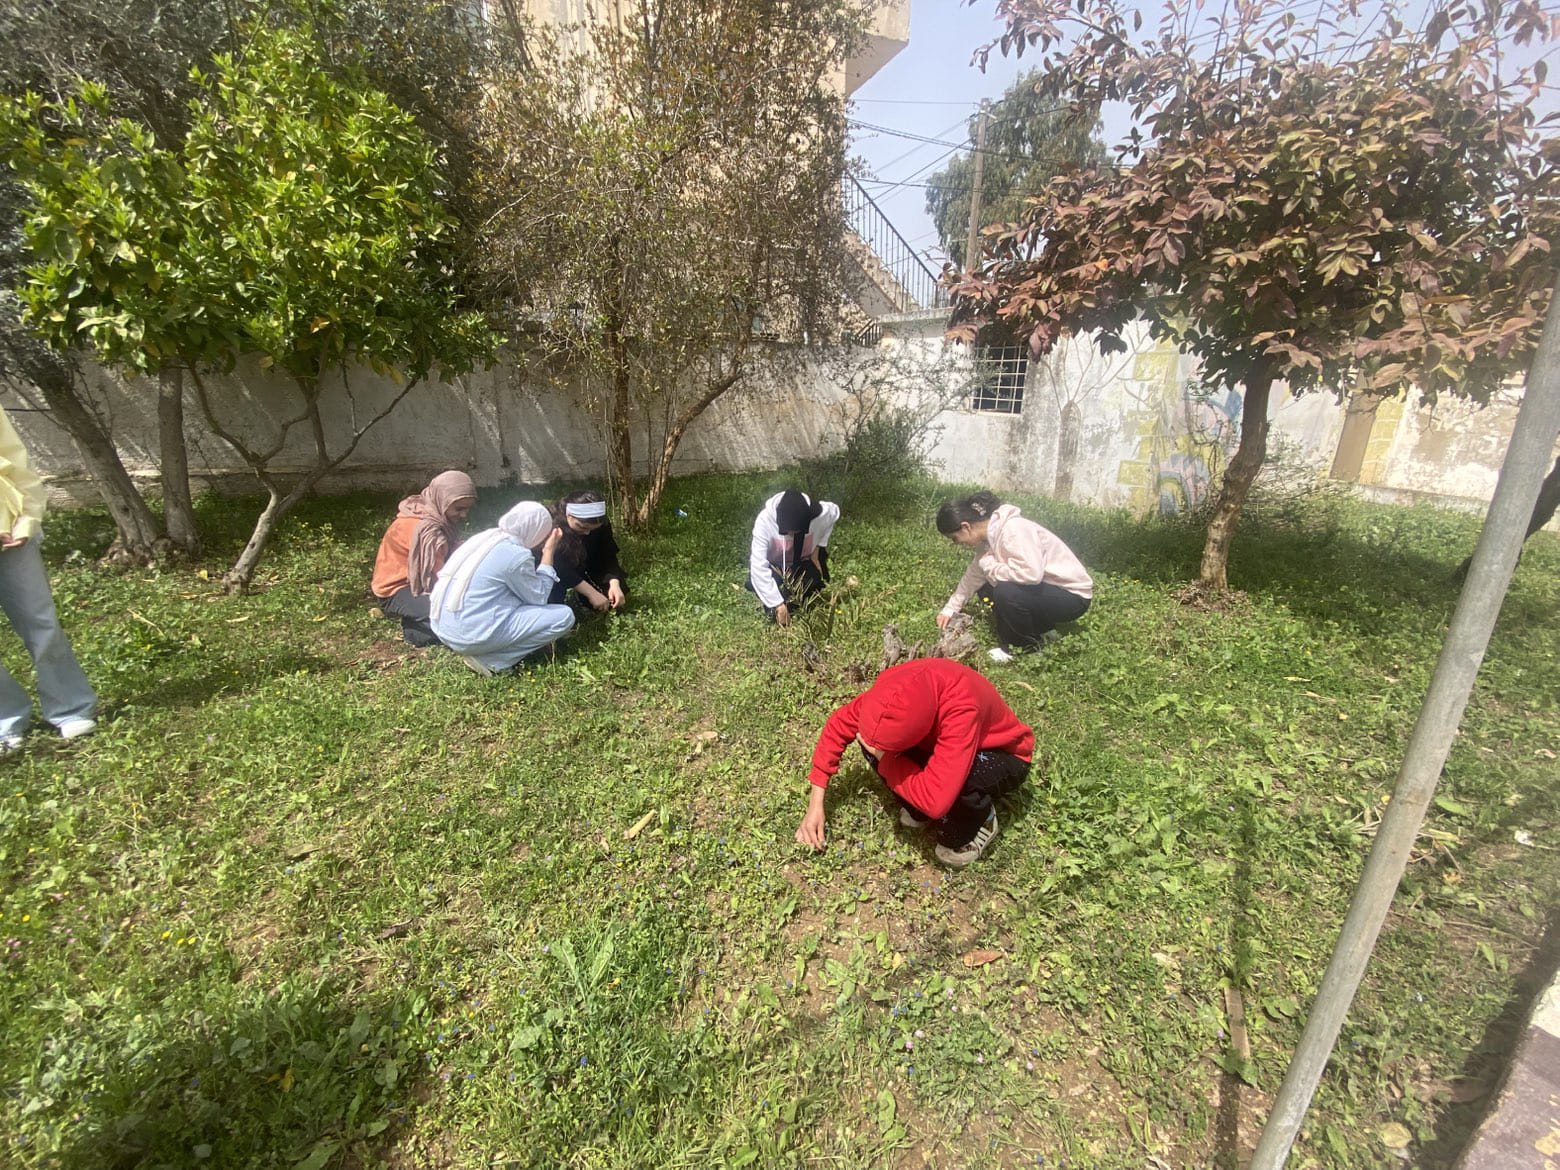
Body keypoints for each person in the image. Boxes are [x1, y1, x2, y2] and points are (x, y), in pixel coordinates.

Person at [796, 658, 1032, 867]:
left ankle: (982, 821)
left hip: (1001, 755)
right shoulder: (890, 693)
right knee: (870, 743)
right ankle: (916, 803)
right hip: (940, 742)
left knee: (954, 803)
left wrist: (886, 761)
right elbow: (838, 725)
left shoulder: (961, 708)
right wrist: (815, 805)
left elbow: (936, 802)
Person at [0, 406, 97, 753]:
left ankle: (71, 707)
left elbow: (15, 461)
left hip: (10, 532)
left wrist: (27, 519)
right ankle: (5, 721)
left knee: (40, 622)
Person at [936, 490, 1093, 663]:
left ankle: (1023, 647)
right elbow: (973, 576)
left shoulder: (1014, 530)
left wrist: (991, 567)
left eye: (955, 538)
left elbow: (1030, 574)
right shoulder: (988, 539)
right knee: (986, 586)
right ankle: (1043, 630)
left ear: (966, 527)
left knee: (1006, 591)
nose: (957, 543)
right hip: (1049, 590)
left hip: (1073, 598)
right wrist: (950, 609)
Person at [429, 500, 575, 676]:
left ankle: (484, 648)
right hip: (469, 635)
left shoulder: (483, 538)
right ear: (537, 532)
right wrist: (549, 552)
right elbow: (539, 597)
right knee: (564, 617)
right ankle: (494, 660)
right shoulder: (516, 555)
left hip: (442, 628)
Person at [370, 470, 477, 647]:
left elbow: (452, 551)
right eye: (459, 509)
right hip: (398, 589)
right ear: (442, 500)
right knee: (456, 615)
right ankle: (415, 630)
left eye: (467, 509)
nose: (464, 515)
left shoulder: (432, 510)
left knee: (462, 610)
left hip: (422, 581)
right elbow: (442, 578)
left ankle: (420, 617)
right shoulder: (426, 531)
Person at [747, 489, 840, 626]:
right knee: (756, 583)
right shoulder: (764, 521)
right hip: (775, 566)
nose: (792, 534)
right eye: (788, 531)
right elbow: (758, 566)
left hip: (800, 563)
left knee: (814, 581)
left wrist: (817, 550)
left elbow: (834, 512)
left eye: (797, 531)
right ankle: (777, 607)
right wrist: (778, 604)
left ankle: (791, 605)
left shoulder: (819, 514)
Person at [547, 490, 627, 613]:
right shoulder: (551, 524)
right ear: (569, 515)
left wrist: (614, 582)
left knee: (611, 599)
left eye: (593, 529)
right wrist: (590, 592)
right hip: (553, 571)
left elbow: (607, 554)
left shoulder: (599, 524)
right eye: (581, 527)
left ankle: (585, 597)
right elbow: (558, 566)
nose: (587, 533)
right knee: (552, 608)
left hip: (587, 562)